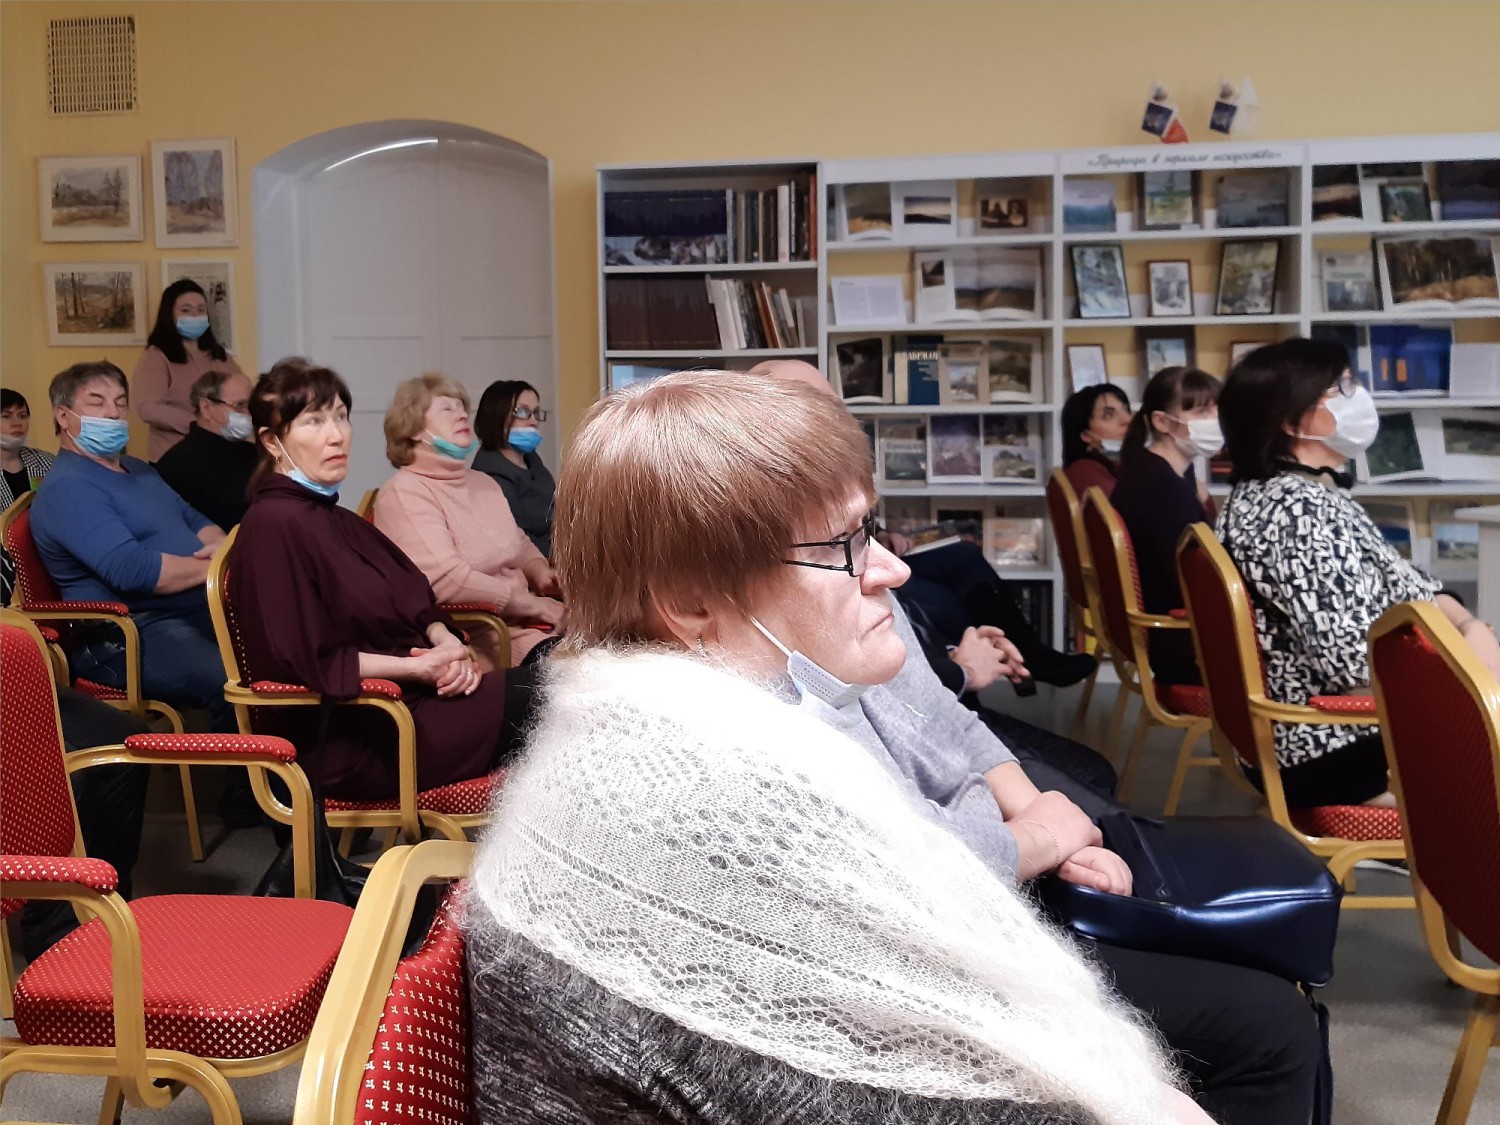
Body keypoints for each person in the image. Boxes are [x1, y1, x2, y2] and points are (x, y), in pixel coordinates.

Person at [467, 370, 1211, 1125]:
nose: (893, 568)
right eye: (844, 545)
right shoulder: (713, 811)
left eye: (870, 530)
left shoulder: (678, 730)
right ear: (691, 600)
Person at [230, 361, 534, 801]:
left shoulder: (334, 517)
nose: (337, 435)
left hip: (413, 702)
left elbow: (417, 599)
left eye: (341, 417)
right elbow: (303, 661)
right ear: (272, 441)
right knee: (559, 697)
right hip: (363, 730)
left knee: (567, 690)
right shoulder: (273, 526)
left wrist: (447, 644)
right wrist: (417, 668)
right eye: (314, 421)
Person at [1218, 338, 1500, 808]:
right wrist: (1466, 667)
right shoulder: (1295, 512)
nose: (1358, 396)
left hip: (1345, 730)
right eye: (1341, 388)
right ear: (1291, 421)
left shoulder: (1305, 494)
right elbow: (1350, 662)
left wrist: (1471, 628)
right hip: (1335, 745)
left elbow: (1412, 583)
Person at [751, 360, 1094, 689]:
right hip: (849, 577)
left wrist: (882, 535)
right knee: (951, 606)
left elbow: (851, 526)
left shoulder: (837, 459)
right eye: (818, 406)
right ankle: (976, 670)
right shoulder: (770, 482)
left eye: (835, 406)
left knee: (964, 556)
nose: (837, 418)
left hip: (870, 557)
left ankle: (1027, 655)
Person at [30, 361, 234, 736]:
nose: (112, 413)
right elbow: (134, 570)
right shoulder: (68, 488)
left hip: (196, 610)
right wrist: (217, 566)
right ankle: (240, 776)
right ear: (63, 416)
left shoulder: (138, 469)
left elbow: (193, 518)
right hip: (127, 636)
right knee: (232, 682)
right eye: (97, 402)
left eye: (120, 402)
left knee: (285, 651)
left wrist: (219, 546)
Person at [374, 373, 563, 668]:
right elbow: (447, 581)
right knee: (597, 671)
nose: (462, 413)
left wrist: (539, 571)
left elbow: (519, 542)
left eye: (462, 406)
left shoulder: (483, 482)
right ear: (414, 429)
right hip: (482, 639)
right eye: (447, 408)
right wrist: (532, 605)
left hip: (532, 619)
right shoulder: (405, 492)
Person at [1109, 367, 1221, 685]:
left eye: (1216, 410)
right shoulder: (1159, 486)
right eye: (1201, 411)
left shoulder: (1159, 471)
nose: (1215, 420)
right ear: (1162, 422)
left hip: (1182, 633)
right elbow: (1195, 577)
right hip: (1187, 645)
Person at [132, 279, 245, 461]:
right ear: (169, 315)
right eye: (186, 310)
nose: (195, 315)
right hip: (176, 454)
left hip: (222, 450)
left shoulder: (219, 354)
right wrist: (200, 424)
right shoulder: (157, 357)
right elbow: (149, 408)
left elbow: (242, 393)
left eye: (201, 310)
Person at [153, 368, 259, 532]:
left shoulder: (253, 452)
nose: (248, 414)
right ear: (206, 408)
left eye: (251, 406)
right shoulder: (178, 464)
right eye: (239, 405)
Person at [472, 380, 554, 556]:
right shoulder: (490, 473)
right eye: (522, 412)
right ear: (497, 417)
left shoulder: (531, 458)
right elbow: (516, 541)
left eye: (536, 413)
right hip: (535, 563)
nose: (534, 421)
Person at [1, 387, 56, 604]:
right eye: (6, 416)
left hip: (47, 553)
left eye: (23, 415)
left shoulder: (46, 462)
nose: (17, 423)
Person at [1061, 383, 1133, 499]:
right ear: (1086, 435)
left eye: (1126, 410)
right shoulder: (1085, 472)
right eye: (1108, 415)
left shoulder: (1125, 465)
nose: (1127, 420)